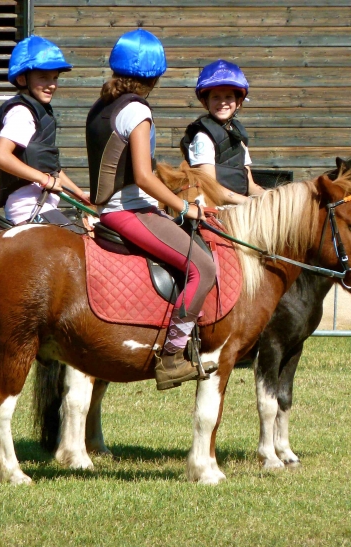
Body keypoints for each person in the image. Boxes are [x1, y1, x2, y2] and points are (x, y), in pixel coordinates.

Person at [85, 29, 217, 390]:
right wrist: (184, 207)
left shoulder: (101, 105)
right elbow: (143, 176)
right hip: (127, 210)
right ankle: (173, 356)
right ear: (154, 76)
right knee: (202, 268)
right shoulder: (137, 110)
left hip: (112, 208)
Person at [0, 35, 90, 225]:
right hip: (28, 209)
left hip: (44, 206)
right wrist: (44, 180)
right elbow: (0, 156)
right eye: (43, 77)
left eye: (55, 77)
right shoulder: (21, 112)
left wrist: (79, 195)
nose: (52, 85)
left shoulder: (39, 113)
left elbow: (52, 172)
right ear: (22, 79)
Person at [180, 60, 264, 204]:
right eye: (216, 97)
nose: (222, 102)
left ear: (238, 101)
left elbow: (250, 185)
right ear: (205, 102)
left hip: (237, 206)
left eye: (228, 97)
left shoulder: (238, 135)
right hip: (214, 209)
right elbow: (211, 188)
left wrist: (272, 198)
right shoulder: (203, 137)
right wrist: (248, 204)